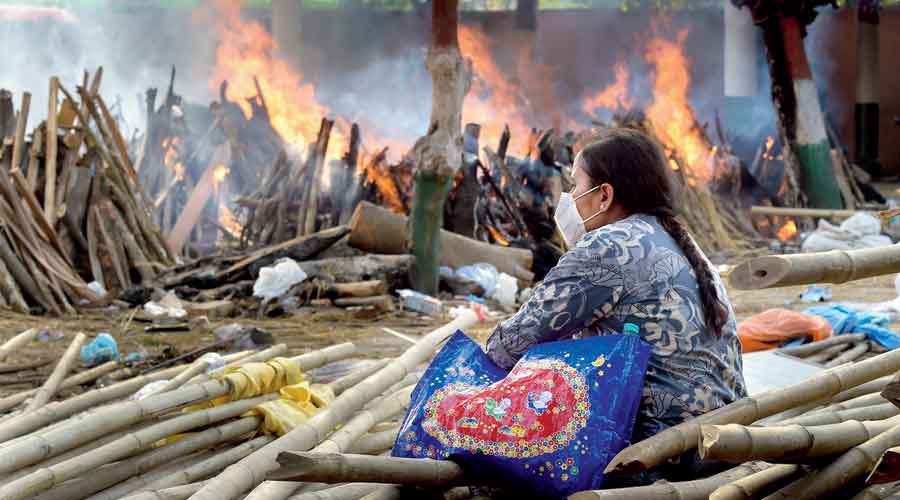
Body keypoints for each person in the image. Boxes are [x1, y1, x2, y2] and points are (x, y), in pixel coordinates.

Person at [484, 128, 747, 476]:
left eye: (575, 185)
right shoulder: (679, 239)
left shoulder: (607, 247)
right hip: (724, 440)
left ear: (604, 195)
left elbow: (508, 346)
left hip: (658, 454)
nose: (569, 197)